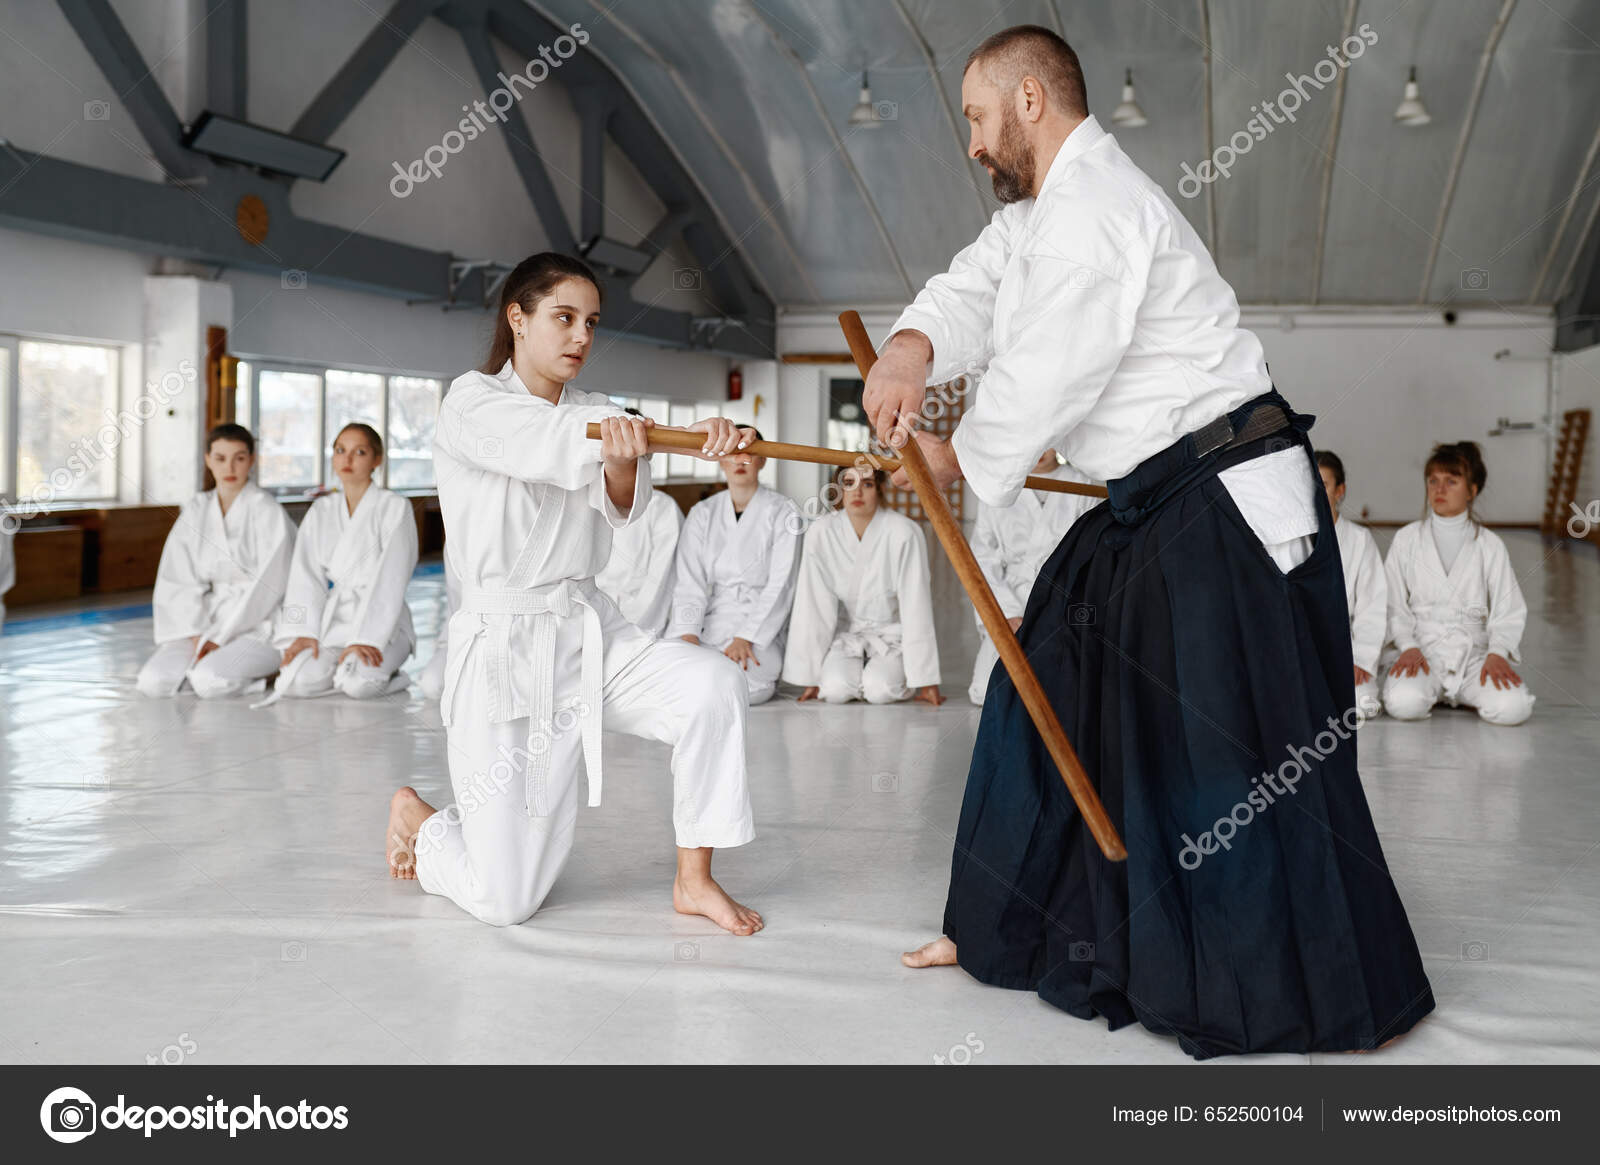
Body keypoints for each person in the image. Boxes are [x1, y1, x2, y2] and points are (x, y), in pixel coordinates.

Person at [865, 25, 1433, 1057]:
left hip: (1218, 499)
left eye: (977, 119)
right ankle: (1006, 923)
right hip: (1153, 497)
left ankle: (1260, 986)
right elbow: (979, 283)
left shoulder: (1098, 211)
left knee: (1221, 759)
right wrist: (909, 347)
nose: (970, 143)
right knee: (1042, 690)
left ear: (1029, 99)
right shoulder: (1047, 212)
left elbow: (1048, 370)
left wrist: (959, 455)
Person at [386, 252, 763, 935]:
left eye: (591, 322)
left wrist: (688, 440)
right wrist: (657, 437)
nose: (581, 336)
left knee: (712, 685)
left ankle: (694, 877)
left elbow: (620, 502)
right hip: (504, 652)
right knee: (506, 900)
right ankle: (423, 820)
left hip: (590, 629)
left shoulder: (598, 412)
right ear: (517, 318)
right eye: (563, 318)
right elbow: (540, 441)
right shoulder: (471, 400)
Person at [136, 424, 295, 698]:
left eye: (240, 458)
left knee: (210, 681)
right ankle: (211, 663)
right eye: (220, 458)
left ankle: (270, 671)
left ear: (252, 460)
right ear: (208, 459)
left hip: (260, 623)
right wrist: (196, 632)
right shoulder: (197, 508)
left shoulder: (267, 510)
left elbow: (270, 586)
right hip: (207, 618)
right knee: (154, 681)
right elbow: (177, 578)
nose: (230, 467)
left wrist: (222, 637)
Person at [1381, 441, 1533, 726]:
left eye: (1451, 481)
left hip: (1473, 658)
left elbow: (1508, 607)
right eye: (1433, 481)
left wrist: (1497, 653)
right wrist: (1407, 646)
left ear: (1472, 491)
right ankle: (1426, 689)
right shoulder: (1407, 539)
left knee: (1515, 708)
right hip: (1420, 653)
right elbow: (1392, 603)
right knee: (1404, 704)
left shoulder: (1489, 545)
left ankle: (1464, 689)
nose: (1439, 489)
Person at [266, 423, 418, 703]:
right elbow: (305, 576)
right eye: (340, 450)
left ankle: (394, 676)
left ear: (377, 459)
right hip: (334, 619)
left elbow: (392, 577)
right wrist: (304, 631)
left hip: (385, 623)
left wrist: (367, 637)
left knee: (359, 685)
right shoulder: (321, 510)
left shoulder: (394, 507)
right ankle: (342, 670)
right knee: (298, 681)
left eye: (359, 452)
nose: (347, 459)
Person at [782, 465, 942, 705]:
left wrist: (924, 678)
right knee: (835, 690)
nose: (857, 493)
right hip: (850, 633)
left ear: (879, 489)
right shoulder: (821, 531)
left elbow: (915, 604)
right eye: (849, 483)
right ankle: (844, 671)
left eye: (867, 484)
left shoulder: (904, 532)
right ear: (838, 489)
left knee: (881, 690)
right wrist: (810, 676)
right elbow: (813, 604)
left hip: (891, 634)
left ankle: (890, 673)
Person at [666, 432, 802, 705]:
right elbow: (689, 580)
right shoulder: (702, 512)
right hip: (711, 618)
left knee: (748, 682)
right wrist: (689, 632)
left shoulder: (784, 511)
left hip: (758, 622)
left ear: (763, 460)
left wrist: (746, 637)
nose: (741, 459)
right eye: (732, 452)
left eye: (750, 452)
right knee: (676, 665)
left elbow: (782, 583)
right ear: (720, 460)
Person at [968, 449, 1097, 705]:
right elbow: (982, 560)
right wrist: (1007, 613)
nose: (1040, 450)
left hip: (1063, 603)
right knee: (985, 690)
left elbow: (1091, 559)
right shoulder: (999, 485)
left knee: (1062, 692)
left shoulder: (1084, 484)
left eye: (1048, 441)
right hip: (1009, 603)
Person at [594, 409, 684, 638]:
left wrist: (629, 626)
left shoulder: (663, 507)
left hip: (641, 623)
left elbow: (661, 577)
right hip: (591, 614)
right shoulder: (590, 500)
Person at [1316, 451, 1386, 723]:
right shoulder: (1293, 539)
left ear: (1339, 490)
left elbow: (1372, 605)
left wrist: (1361, 658)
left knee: (1362, 705)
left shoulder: (1359, 539)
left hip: (1348, 651)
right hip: (1302, 651)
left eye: (1323, 484)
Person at [416, 556, 459, 701]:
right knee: (432, 684)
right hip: (461, 630)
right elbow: (455, 595)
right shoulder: (457, 536)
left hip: (515, 627)